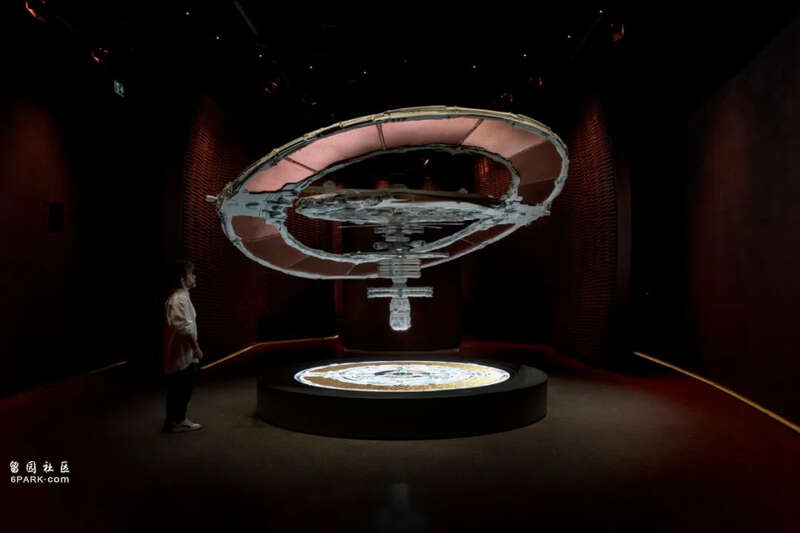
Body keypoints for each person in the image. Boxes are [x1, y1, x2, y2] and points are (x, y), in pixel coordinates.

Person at [161, 260, 204, 433]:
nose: (194, 276)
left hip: (183, 354)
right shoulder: (179, 299)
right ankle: (177, 421)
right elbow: (184, 329)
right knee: (181, 388)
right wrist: (196, 348)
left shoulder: (182, 297)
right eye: (191, 273)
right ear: (182, 279)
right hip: (181, 355)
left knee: (181, 388)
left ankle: (176, 419)